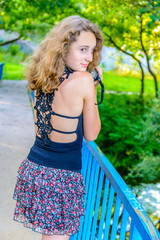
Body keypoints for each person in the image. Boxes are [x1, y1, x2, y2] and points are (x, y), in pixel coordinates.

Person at [12, 15, 103, 240]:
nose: (89, 57)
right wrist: (92, 89)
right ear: (64, 47)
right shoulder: (82, 80)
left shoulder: (42, 75)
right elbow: (91, 134)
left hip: (35, 168)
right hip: (60, 177)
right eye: (83, 49)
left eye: (92, 50)